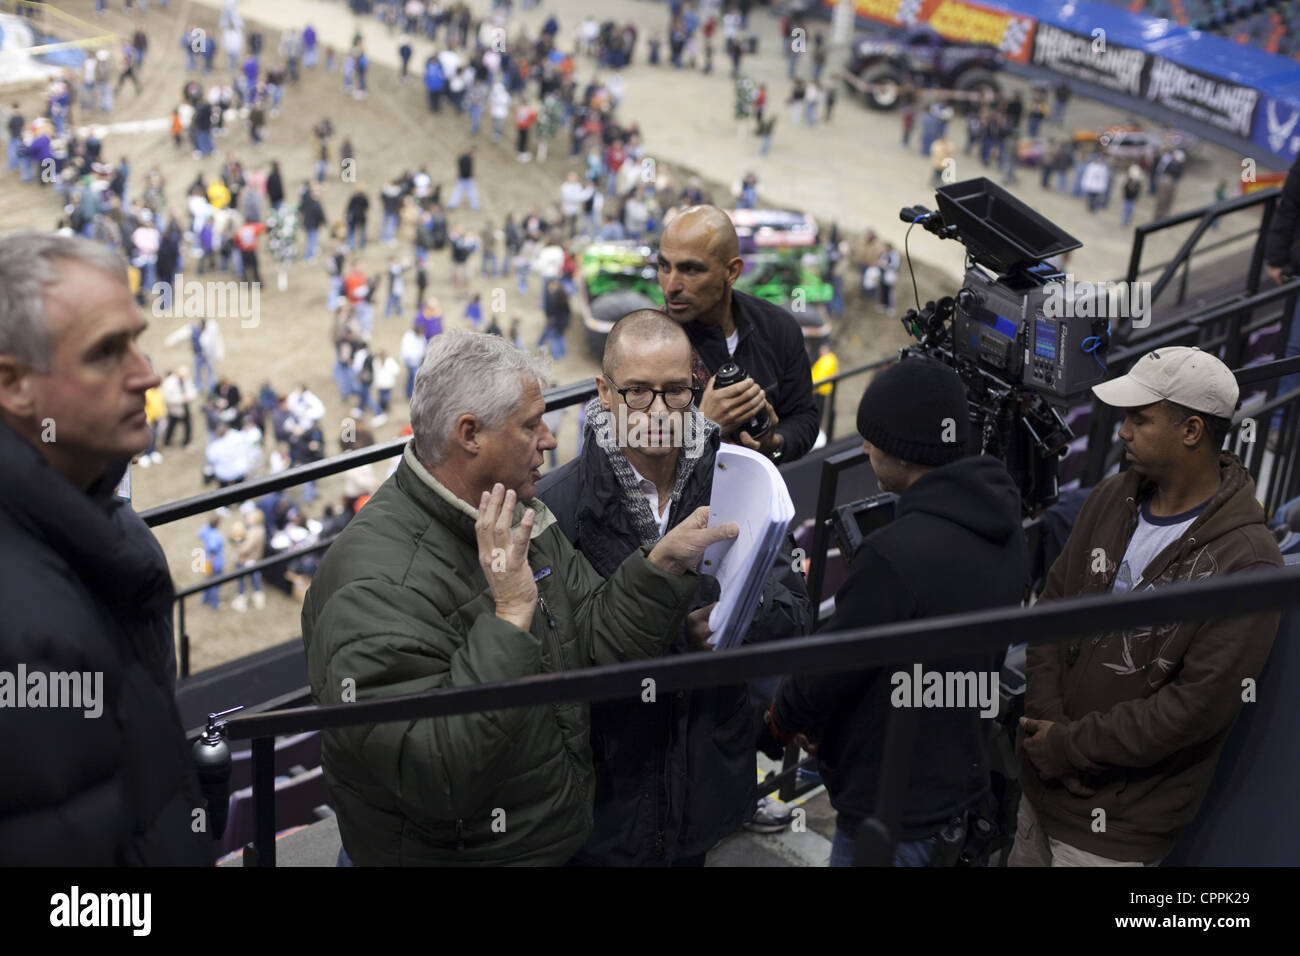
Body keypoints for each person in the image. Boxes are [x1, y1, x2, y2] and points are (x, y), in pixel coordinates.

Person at [301, 331, 738, 866]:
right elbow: (435, 778)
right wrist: (510, 616)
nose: (550, 439)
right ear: (470, 434)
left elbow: (593, 639)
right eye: (531, 424)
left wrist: (663, 565)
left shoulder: (508, 509)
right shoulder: (372, 586)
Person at [536, 311, 811, 866]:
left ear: (697, 387)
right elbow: (552, 665)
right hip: (603, 800)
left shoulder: (741, 481)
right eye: (637, 392)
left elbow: (793, 614)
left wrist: (732, 613)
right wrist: (673, 623)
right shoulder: (554, 507)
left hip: (701, 787)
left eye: (674, 392)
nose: (658, 412)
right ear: (604, 393)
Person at [1013, 346, 1283, 866]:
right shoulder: (1111, 496)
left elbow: (1191, 710)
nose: (1122, 432)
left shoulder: (1248, 563)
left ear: (1191, 432)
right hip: (1039, 792)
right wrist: (1045, 732)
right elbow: (1051, 610)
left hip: (1116, 830)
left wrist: (1067, 748)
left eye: (1140, 419)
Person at [768, 356, 1028, 866]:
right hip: (957, 776)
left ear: (906, 454)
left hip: (892, 807)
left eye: (874, 440)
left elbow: (831, 668)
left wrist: (781, 719)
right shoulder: (1003, 521)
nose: (864, 448)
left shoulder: (896, 555)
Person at [0, 233, 209, 865]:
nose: (145, 374)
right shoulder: (22, 635)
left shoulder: (84, 515)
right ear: (15, 386)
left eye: (137, 340)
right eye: (105, 353)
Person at [657, 205, 819, 463]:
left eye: (691, 270)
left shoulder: (778, 329)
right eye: (664, 266)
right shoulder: (646, 347)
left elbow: (804, 418)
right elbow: (630, 461)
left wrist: (773, 443)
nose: (672, 286)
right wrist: (703, 427)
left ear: (732, 272)